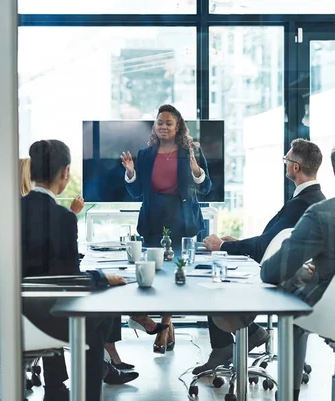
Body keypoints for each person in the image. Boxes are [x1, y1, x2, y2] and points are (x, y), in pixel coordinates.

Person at [194, 139, 326, 374]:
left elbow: (266, 246)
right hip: (292, 276)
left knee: (214, 285)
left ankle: (230, 344)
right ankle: (250, 334)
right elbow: (273, 240)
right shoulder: (315, 199)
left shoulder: (303, 204)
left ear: (295, 167)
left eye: (286, 160)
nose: (284, 164)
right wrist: (235, 243)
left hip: (281, 280)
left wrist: (222, 245)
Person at [21, 140, 138, 401]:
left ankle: (55, 388)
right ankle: (91, 389)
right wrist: (102, 277)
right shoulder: (62, 217)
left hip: (15, 310)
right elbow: (70, 282)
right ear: (65, 172)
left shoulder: (11, 210)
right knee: (101, 314)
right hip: (47, 314)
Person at [219, 147, 335, 401]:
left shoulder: (322, 213)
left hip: (328, 312)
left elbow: (272, 271)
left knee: (293, 306)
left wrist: (297, 274)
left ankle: (289, 394)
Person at [120, 104, 212, 353]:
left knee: (175, 276)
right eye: (160, 122)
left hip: (182, 221)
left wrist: (196, 170)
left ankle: (165, 324)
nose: (163, 126)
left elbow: (206, 188)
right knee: (154, 274)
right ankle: (164, 327)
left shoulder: (191, 151)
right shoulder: (145, 154)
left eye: (169, 123)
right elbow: (137, 192)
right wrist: (130, 173)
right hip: (153, 221)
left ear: (178, 126)